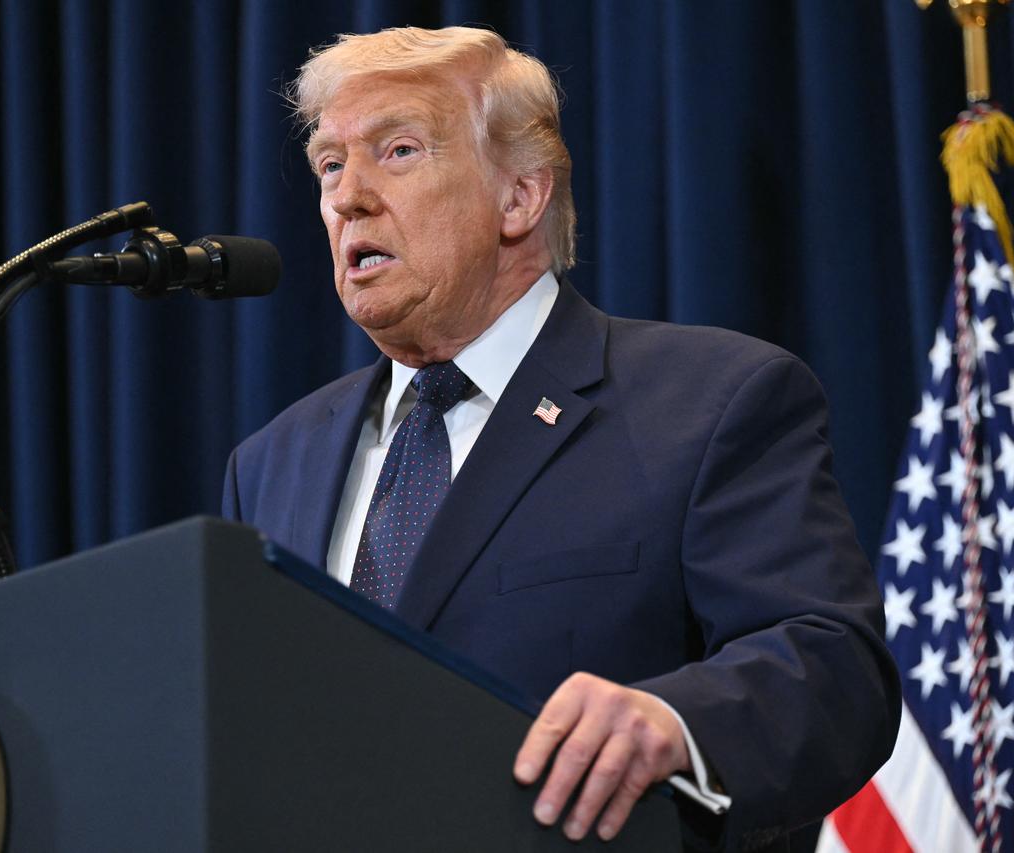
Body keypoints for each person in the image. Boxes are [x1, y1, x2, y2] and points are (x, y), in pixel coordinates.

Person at [223, 25, 899, 851]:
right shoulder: (271, 462)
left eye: (397, 151)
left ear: (520, 197)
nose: (347, 197)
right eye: (331, 164)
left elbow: (833, 668)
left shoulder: (712, 400)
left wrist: (676, 724)